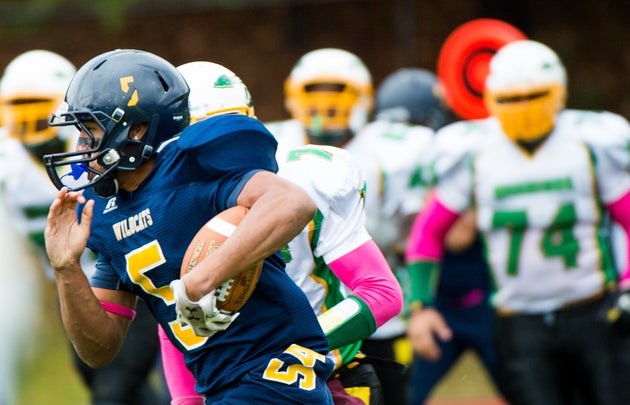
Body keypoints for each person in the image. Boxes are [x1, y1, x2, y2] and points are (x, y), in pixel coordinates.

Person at [42, 49, 335, 404]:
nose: (82, 148)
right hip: (221, 386)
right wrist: (66, 269)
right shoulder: (106, 211)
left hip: (275, 372)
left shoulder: (194, 165)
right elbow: (99, 350)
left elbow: (293, 202)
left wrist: (202, 278)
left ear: (136, 130)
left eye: (91, 132)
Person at [158, 60, 403, 405]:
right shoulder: (167, 204)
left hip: (324, 380)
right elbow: (174, 314)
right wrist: (186, 400)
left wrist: (288, 348)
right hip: (233, 388)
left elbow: (381, 292)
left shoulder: (309, 177)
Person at [405, 39, 630, 405]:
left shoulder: (590, 143)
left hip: (593, 311)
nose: (523, 109)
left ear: (559, 92)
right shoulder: (473, 151)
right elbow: (428, 233)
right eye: (511, 99)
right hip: (518, 321)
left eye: (534, 96)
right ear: (491, 97)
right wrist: (420, 306)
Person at [0, 49, 169, 405]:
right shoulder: (9, 158)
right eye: (18, 104)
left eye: (37, 103)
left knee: (114, 389)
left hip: (127, 280)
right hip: (74, 286)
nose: (28, 117)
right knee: (115, 389)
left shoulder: (91, 144)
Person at [372, 67, 501, 404]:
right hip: (426, 304)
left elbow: (458, 235)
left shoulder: (458, 157)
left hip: (479, 297)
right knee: (406, 394)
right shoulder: (377, 162)